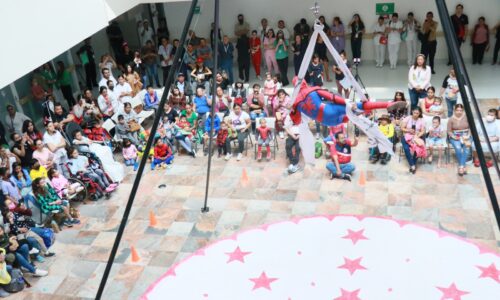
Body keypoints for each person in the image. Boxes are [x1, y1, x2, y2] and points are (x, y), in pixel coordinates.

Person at [401, 107, 426, 174]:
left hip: (416, 136)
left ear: (419, 113)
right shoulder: (408, 118)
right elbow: (402, 128)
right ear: (412, 112)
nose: (415, 114)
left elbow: (423, 131)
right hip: (406, 136)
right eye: (414, 112)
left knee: (417, 149)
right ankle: (413, 165)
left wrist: (417, 136)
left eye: (417, 113)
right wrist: (409, 130)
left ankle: (412, 165)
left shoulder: (421, 120)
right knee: (406, 149)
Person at [447, 104, 470, 176]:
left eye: (461, 110)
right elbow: (449, 131)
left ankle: (461, 166)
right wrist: (453, 137)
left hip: (466, 135)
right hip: (455, 136)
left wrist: (468, 135)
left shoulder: (467, 117)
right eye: (457, 110)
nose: (459, 112)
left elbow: (471, 128)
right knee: (458, 148)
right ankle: (463, 166)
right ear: (454, 110)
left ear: (463, 110)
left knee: (467, 148)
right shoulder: (451, 119)